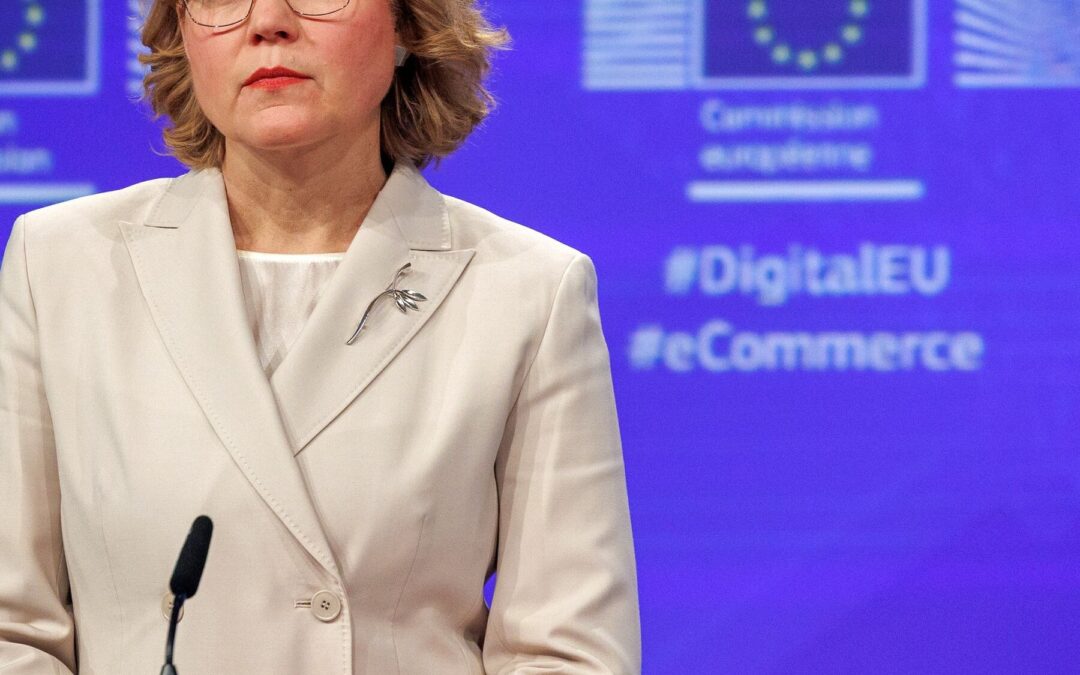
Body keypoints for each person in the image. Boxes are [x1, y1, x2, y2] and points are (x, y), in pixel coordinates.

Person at [0, 0, 640, 672]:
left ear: (405, 27)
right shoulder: (60, 265)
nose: (267, 22)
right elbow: (12, 629)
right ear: (181, 34)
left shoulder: (529, 290)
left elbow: (567, 651)